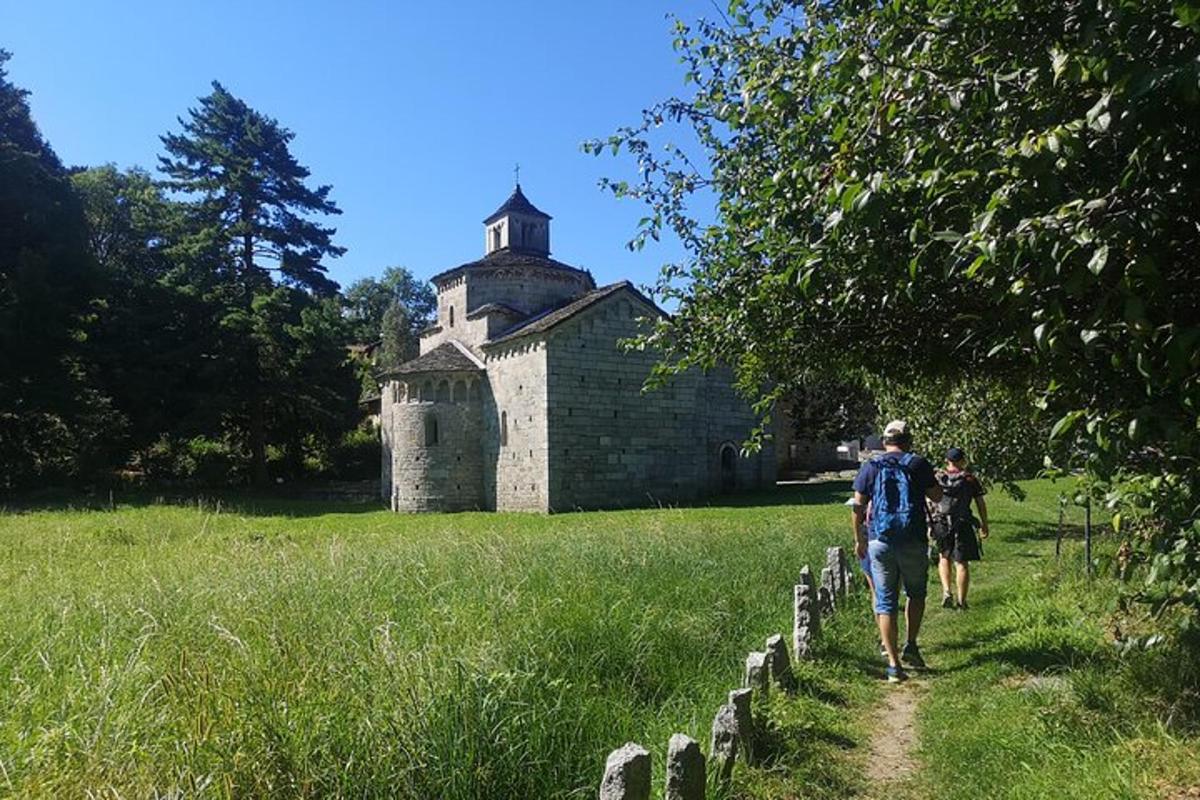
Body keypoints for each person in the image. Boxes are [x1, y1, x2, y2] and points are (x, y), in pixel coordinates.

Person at [851, 420, 942, 683]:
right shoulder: (917, 463)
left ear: (884, 442)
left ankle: (893, 665)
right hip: (912, 538)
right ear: (908, 441)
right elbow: (937, 497)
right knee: (916, 593)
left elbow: (857, 507)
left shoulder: (870, 466)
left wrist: (859, 539)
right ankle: (911, 645)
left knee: (885, 601)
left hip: (880, 540)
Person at [931, 446, 989, 610]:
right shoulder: (970, 479)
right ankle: (962, 601)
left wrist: (929, 523)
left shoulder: (938, 478)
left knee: (944, 558)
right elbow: (980, 502)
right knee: (961, 563)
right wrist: (984, 523)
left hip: (941, 522)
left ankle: (947, 591)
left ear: (947, 461)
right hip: (962, 522)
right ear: (963, 460)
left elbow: (930, 500)